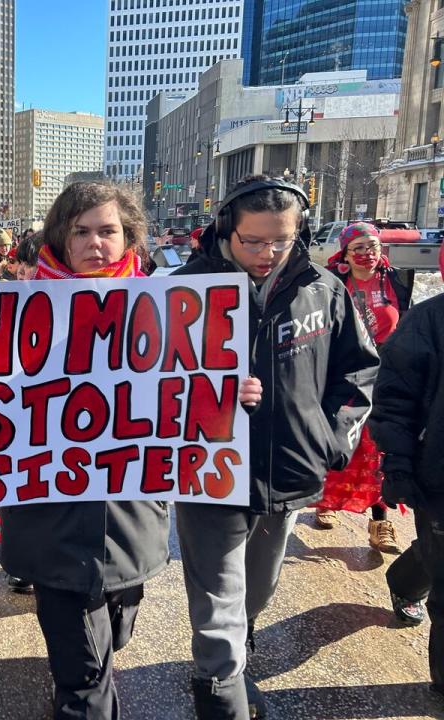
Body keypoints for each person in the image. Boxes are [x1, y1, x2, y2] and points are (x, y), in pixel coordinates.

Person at [171, 176, 380, 718]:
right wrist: (211, 393)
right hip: (209, 474)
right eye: (253, 241)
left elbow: (358, 373)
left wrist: (332, 440)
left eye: (280, 241)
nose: (267, 254)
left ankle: (235, 655)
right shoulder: (182, 290)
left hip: (290, 471)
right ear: (225, 232)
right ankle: (219, 689)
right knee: (218, 597)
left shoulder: (325, 290)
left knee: (255, 590)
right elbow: (146, 384)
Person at [0, 183, 172, 718]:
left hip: (129, 515)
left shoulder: (165, 307)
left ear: (129, 238)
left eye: (108, 231)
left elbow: (191, 389)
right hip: (52, 517)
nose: (96, 243)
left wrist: (233, 395)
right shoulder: (16, 309)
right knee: (83, 672)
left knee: (115, 632)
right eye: (82, 231)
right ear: (61, 238)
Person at [370, 244, 444, 691]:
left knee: (436, 555)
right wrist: (396, 462)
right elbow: (396, 399)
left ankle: (408, 575)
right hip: (438, 474)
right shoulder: (428, 322)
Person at [315, 222, 413, 552]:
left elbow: (408, 322)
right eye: (358, 248)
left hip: (387, 373)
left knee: (379, 445)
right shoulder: (333, 283)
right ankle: (326, 500)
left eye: (372, 246)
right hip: (345, 371)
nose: (366, 255)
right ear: (345, 252)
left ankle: (380, 520)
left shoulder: (397, 279)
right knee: (343, 437)